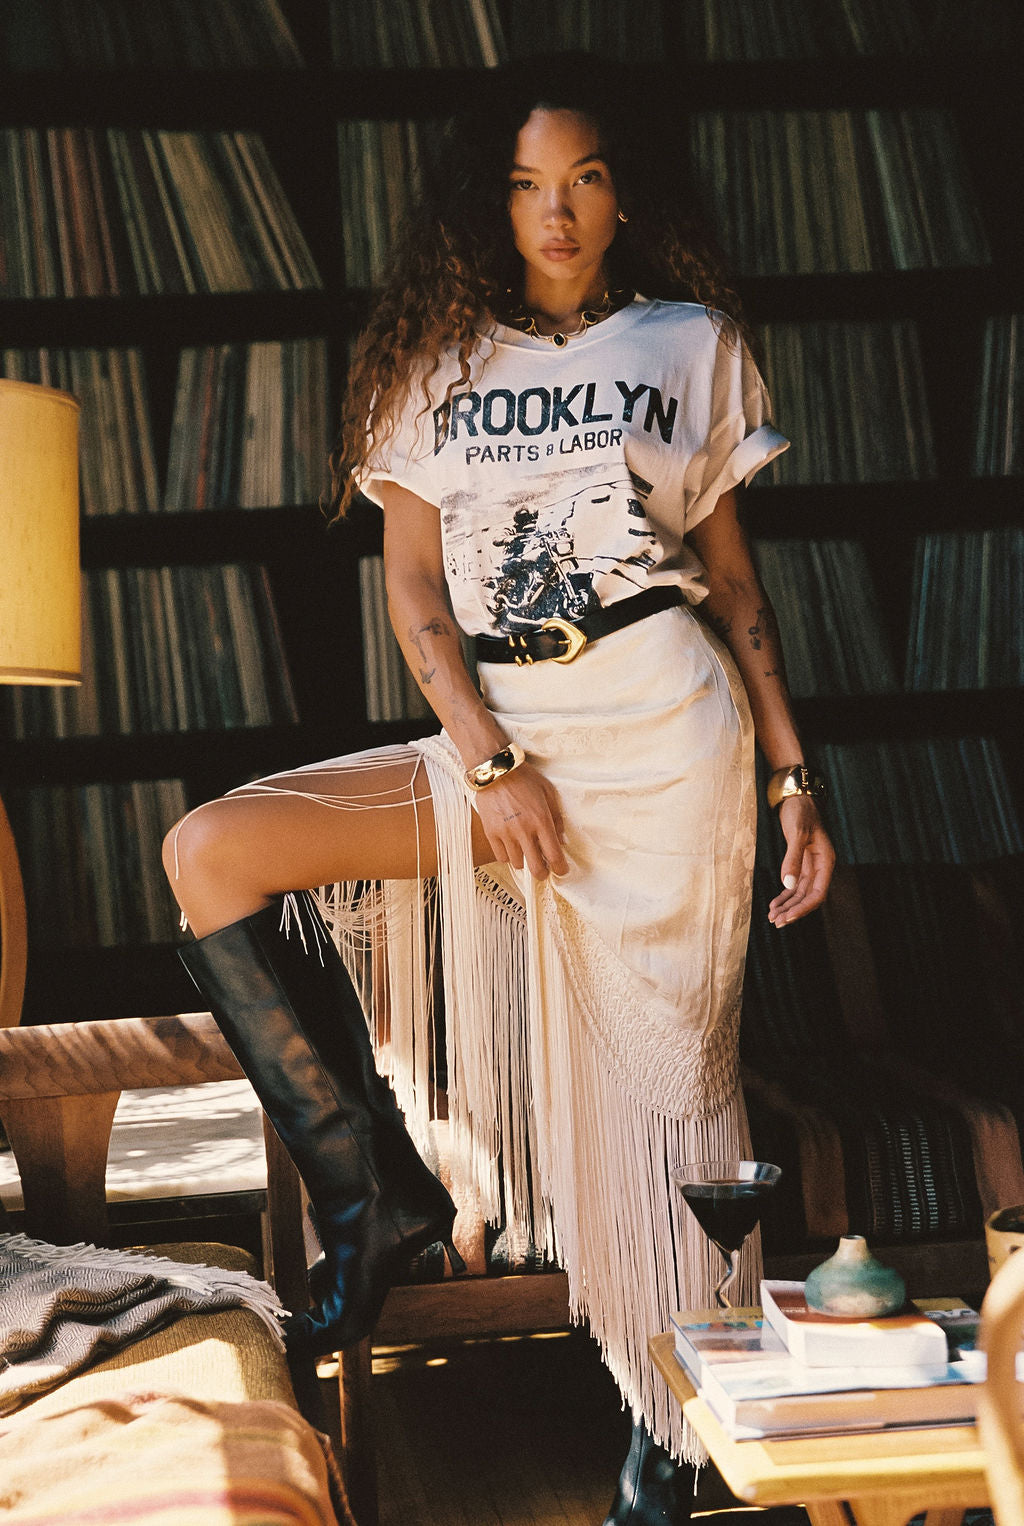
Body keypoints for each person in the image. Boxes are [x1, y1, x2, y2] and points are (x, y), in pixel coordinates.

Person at [164, 54, 835, 1524]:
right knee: (212, 850)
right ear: (490, 197)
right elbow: (416, 597)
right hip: (505, 733)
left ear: (622, 190)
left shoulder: (689, 343)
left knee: (679, 1113)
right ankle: (374, 1195)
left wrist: (794, 779)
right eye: (531, 183)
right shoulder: (430, 361)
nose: (560, 210)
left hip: (673, 736)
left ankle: (669, 1448)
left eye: (587, 177)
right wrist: (489, 757)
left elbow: (737, 591)